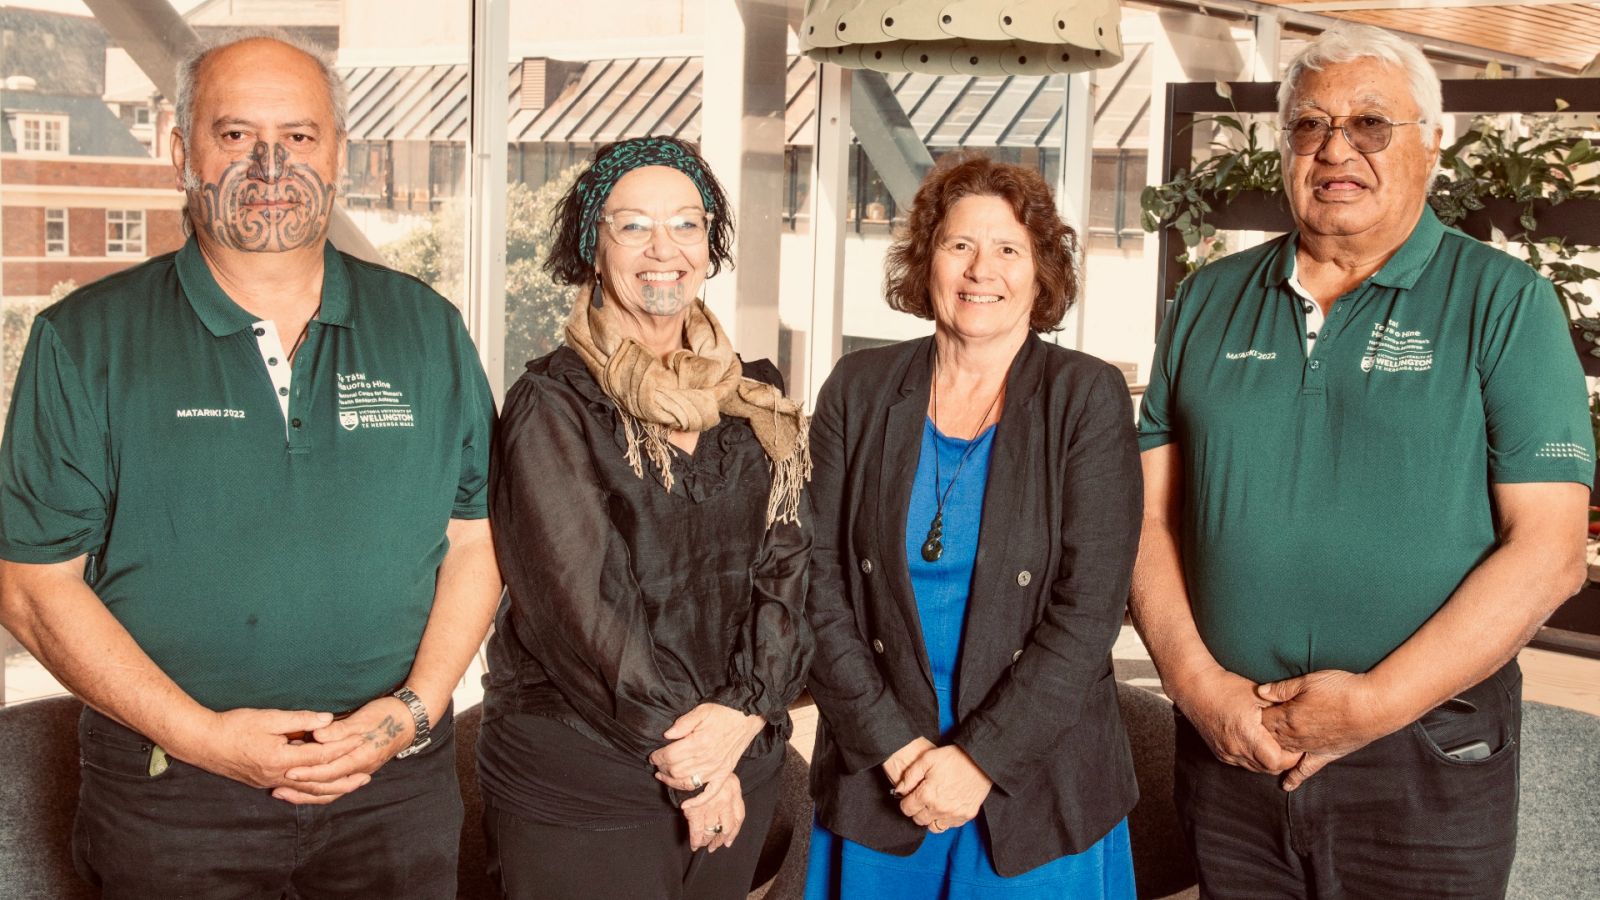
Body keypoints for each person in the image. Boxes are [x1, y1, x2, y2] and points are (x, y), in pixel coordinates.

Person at [0, 32, 501, 899]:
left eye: (300, 136)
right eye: (234, 135)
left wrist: (414, 709)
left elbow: (477, 540)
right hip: (172, 793)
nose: (272, 163)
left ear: (339, 154)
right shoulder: (84, 341)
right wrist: (201, 736)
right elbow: (33, 587)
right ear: (179, 152)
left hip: (394, 787)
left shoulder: (429, 329)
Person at [1131, 24, 1592, 900]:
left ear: (1431, 143)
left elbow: (1551, 552)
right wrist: (1198, 689)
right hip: (1234, 746)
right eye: (1310, 126)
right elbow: (1146, 517)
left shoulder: (1506, 305)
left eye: (1372, 124)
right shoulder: (1207, 299)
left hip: (1424, 751)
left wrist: (1373, 707)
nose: (1336, 149)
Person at [476, 135, 814, 900]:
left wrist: (743, 716)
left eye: (687, 224)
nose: (664, 249)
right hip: (588, 776)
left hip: (739, 756)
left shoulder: (754, 395)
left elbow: (789, 569)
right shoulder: (553, 404)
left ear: (710, 243)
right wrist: (694, 765)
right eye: (633, 226)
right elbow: (584, 609)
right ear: (592, 246)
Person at [803, 156, 1143, 898]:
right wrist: (895, 748)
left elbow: (1089, 611)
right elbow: (814, 580)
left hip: (1034, 777)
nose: (980, 270)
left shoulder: (1086, 396)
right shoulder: (856, 391)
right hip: (882, 767)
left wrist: (981, 762)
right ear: (926, 261)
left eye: (1008, 250)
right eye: (959, 245)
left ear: (1041, 271)